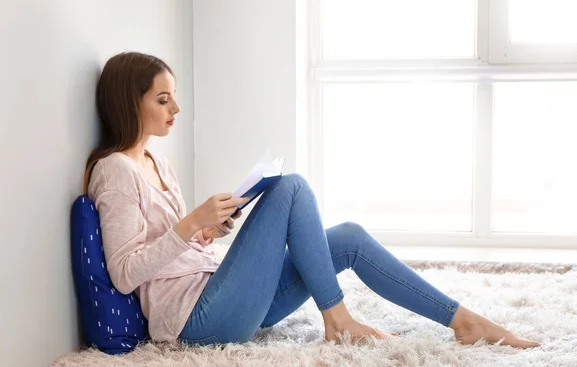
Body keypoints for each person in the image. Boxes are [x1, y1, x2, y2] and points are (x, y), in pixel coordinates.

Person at [84, 52, 540, 349]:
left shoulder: (159, 164)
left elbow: (175, 250)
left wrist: (208, 228)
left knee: (348, 238)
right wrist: (188, 226)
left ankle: (460, 319)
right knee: (293, 186)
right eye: (163, 100)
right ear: (131, 102)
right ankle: (337, 315)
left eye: (174, 98)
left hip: (218, 290)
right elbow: (124, 276)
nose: (175, 110)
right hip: (195, 319)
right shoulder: (115, 170)